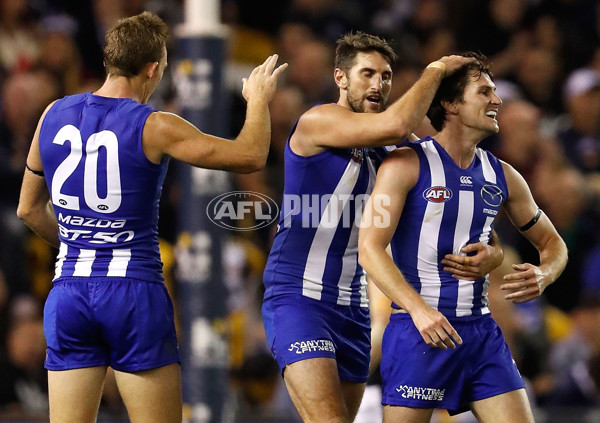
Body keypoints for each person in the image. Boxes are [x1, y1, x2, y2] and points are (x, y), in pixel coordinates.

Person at [16, 11, 287, 423]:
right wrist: (259, 100)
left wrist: (82, 243)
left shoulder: (52, 114)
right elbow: (250, 154)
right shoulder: (155, 125)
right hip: (132, 293)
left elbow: (28, 209)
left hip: (69, 292)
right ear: (154, 68)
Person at [261, 32, 502, 423]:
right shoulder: (318, 121)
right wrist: (437, 70)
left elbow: (456, 204)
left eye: (386, 76)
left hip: (353, 307)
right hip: (298, 298)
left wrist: (496, 252)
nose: (379, 85)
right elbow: (395, 124)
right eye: (368, 74)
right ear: (340, 78)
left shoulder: (398, 149)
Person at [358, 51, 568, 423]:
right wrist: (419, 310)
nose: (497, 100)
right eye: (484, 92)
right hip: (419, 332)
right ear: (451, 103)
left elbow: (553, 244)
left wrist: (543, 273)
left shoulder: (504, 175)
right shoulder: (406, 164)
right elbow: (369, 249)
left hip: (481, 332)